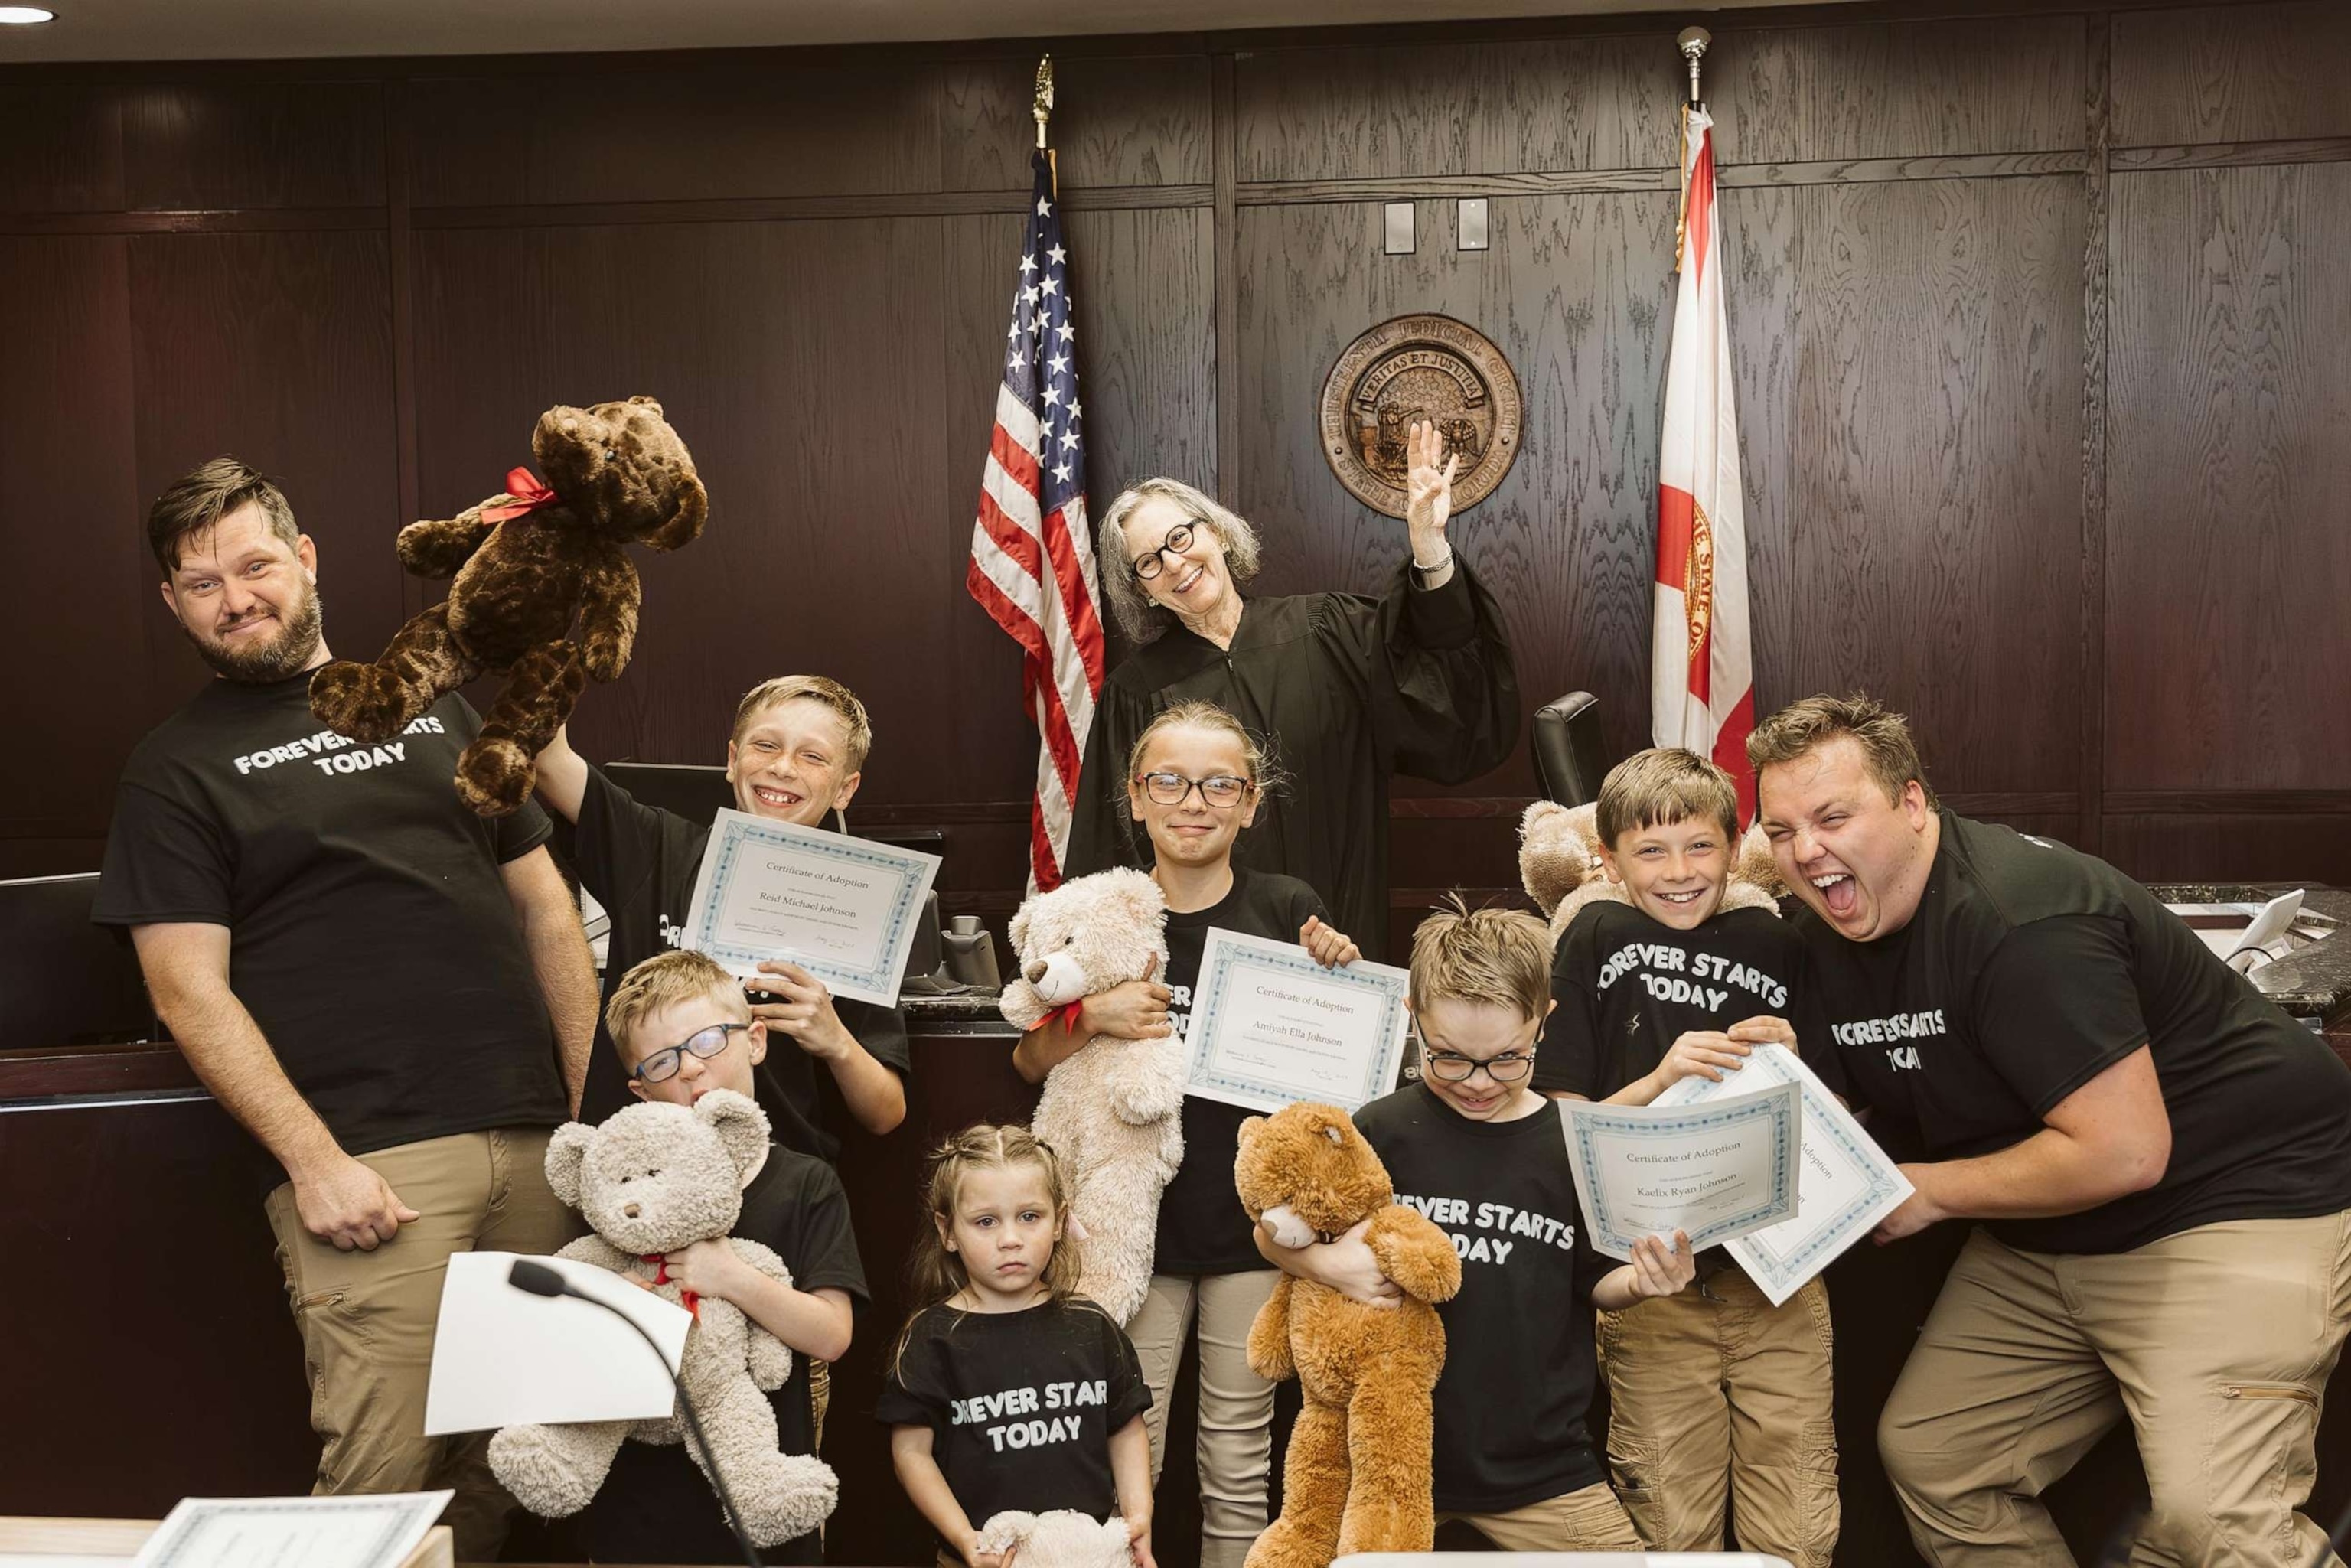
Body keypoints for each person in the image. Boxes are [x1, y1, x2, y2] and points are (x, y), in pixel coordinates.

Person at [93, 457, 598, 1560]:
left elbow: (548, 913)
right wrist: (314, 1161)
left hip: (535, 1145)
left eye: (257, 564)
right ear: (173, 604)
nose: (238, 598)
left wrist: (574, 1108)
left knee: (520, 1472)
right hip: (375, 1173)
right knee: (379, 1494)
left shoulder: (435, 705)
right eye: (204, 583)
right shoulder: (173, 770)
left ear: (307, 560)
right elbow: (186, 988)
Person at [1749, 693, 2351, 1567]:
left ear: (1913, 805)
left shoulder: (2021, 922)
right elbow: (1847, 1113)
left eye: (1834, 816)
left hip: (2229, 1202)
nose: (1807, 851)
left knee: (2214, 1521)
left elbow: (2127, 1151)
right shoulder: (1818, 933)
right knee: (1940, 1461)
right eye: (1780, 830)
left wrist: (1928, 1193)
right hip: (2051, 1230)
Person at [1012, 700, 1361, 1568]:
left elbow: (1337, 1066)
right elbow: (1025, 1061)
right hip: (1130, 1230)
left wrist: (1342, 979)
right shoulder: (1100, 912)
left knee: (1239, 1460)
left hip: (1251, 1233)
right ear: (1135, 797)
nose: (1192, 801)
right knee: (1127, 1446)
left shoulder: (1289, 908)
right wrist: (1091, 1015)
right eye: (1168, 780)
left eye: (1219, 785)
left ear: (1250, 805)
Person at [1261, 901, 1696, 1551]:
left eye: (1505, 1059)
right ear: (1414, 1015)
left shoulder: (1573, 1143)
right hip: (1383, 1464)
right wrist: (1321, 1263)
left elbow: (1596, 1281)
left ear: (1543, 1023)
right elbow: (1272, 1230)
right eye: (1450, 1058)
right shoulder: (1377, 1129)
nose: (1476, 1081)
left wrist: (1645, 1281)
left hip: (1544, 1469)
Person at [1538, 748, 1840, 1566]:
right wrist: (1662, 1078)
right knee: (1670, 1519)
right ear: (1608, 860)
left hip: (1778, 1273)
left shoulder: (1781, 943)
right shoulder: (1596, 935)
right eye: (1651, 851)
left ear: (1735, 847)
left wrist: (1795, 1062)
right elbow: (1559, 1124)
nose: (1679, 872)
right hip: (1650, 1280)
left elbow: (1844, 1121)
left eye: (1700, 846)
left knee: (1802, 1518)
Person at [1066, 421, 1519, 950]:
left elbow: (1444, 699)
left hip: (1340, 939)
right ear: (1141, 591)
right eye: (1149, 562)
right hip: (1204, 957)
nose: (1175, 563)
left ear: (1216, 531)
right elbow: (1110, 855)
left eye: (1181, 537)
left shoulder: (1329, 631)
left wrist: (1429, 546)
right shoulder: (1136, 692)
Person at [533, 675, 909, 1156]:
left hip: (779, 1174)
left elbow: (885, 1114)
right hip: (639, 1172)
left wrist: (833, 1037)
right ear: (732, 761)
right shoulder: (655, 848)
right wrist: (551, 644)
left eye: (813, 756)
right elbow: (547, 759)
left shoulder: (859, 908)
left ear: (845, 789)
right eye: (766, 746)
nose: (783, 768)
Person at [582, 948, 865, 1566]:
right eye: (663, 1060)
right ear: (639, 1089)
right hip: (640, 1509)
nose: (691, 1070)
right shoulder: (614, 1195)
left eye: (709, 1040)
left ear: (755, 1040)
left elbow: (832, 1334)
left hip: (762, 1509)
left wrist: (731, 1277)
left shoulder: (805, 1183)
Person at [879, 1125, 1156, 1568]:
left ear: (1061, 1221)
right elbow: (911, 1453)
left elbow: (1125, 1426)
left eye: (1029, 1216)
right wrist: (965, 1539)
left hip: (1085, 1557)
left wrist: (1138, 1516)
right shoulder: (933, 1338)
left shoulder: (1091, 1325)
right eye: (986, 1221)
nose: (1010, 1238)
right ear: (948, 1231)